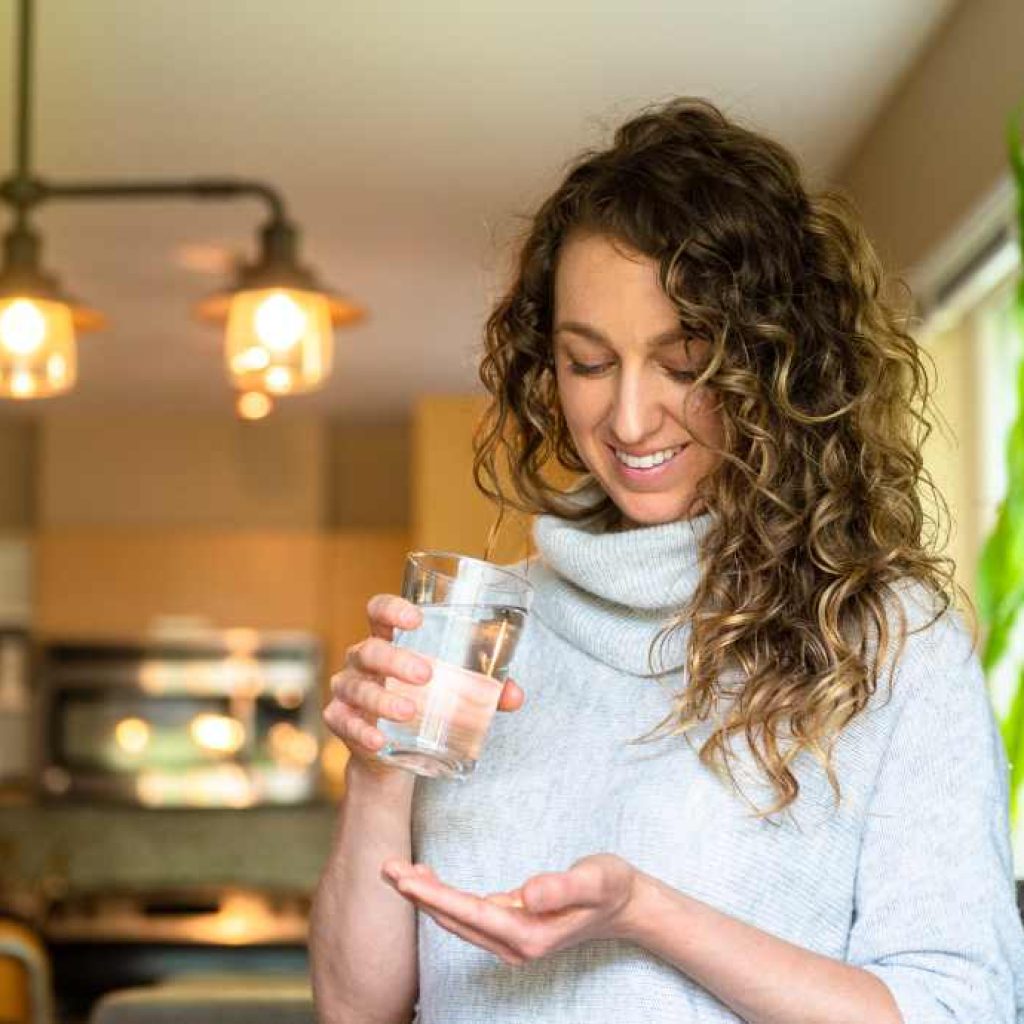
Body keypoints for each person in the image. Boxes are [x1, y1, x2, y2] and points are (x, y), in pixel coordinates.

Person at [309, 98, 1024, 1024]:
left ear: (777, 366)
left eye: (684, 362)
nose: (631, 419)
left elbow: (959, 1009)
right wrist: (377, 774)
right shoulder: (483, 642)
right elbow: (354, 1009)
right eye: (589, 363)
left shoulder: (889, 645)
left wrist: (647, 914)